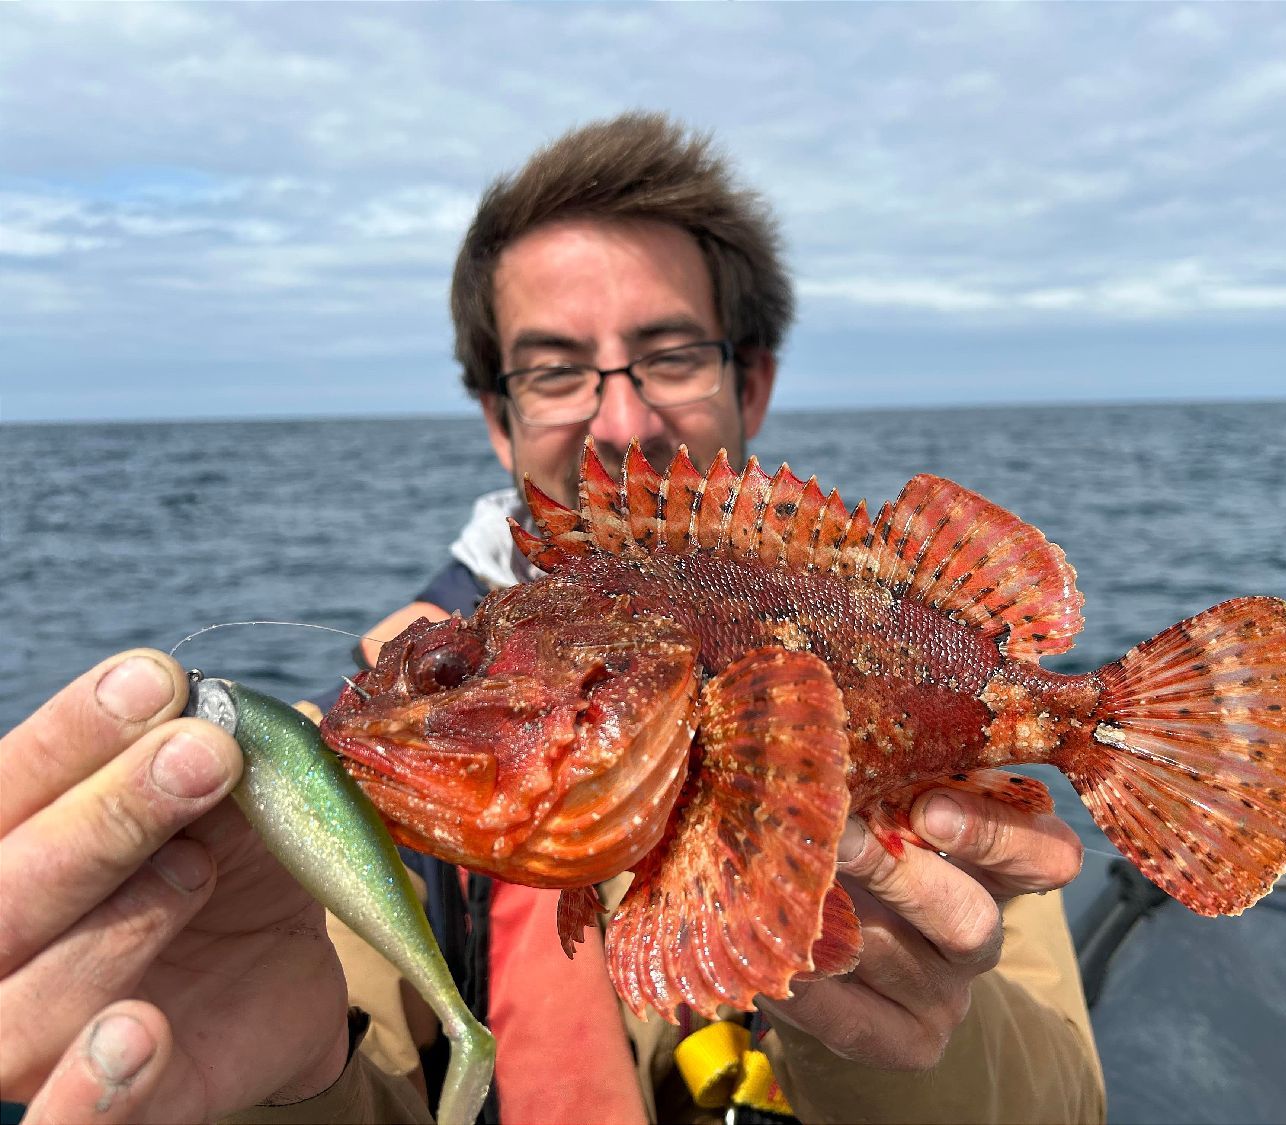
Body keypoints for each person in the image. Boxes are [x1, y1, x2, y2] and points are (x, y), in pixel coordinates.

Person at [1, 113, 1104, 1125]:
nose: (620, 417)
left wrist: (900, 1039)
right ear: (499, 414)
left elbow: (1064, 1105)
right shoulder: (411, 725)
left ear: (751, 383)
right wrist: (286, 1086)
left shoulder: (892, 650)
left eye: (671, 354)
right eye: (557, 367)